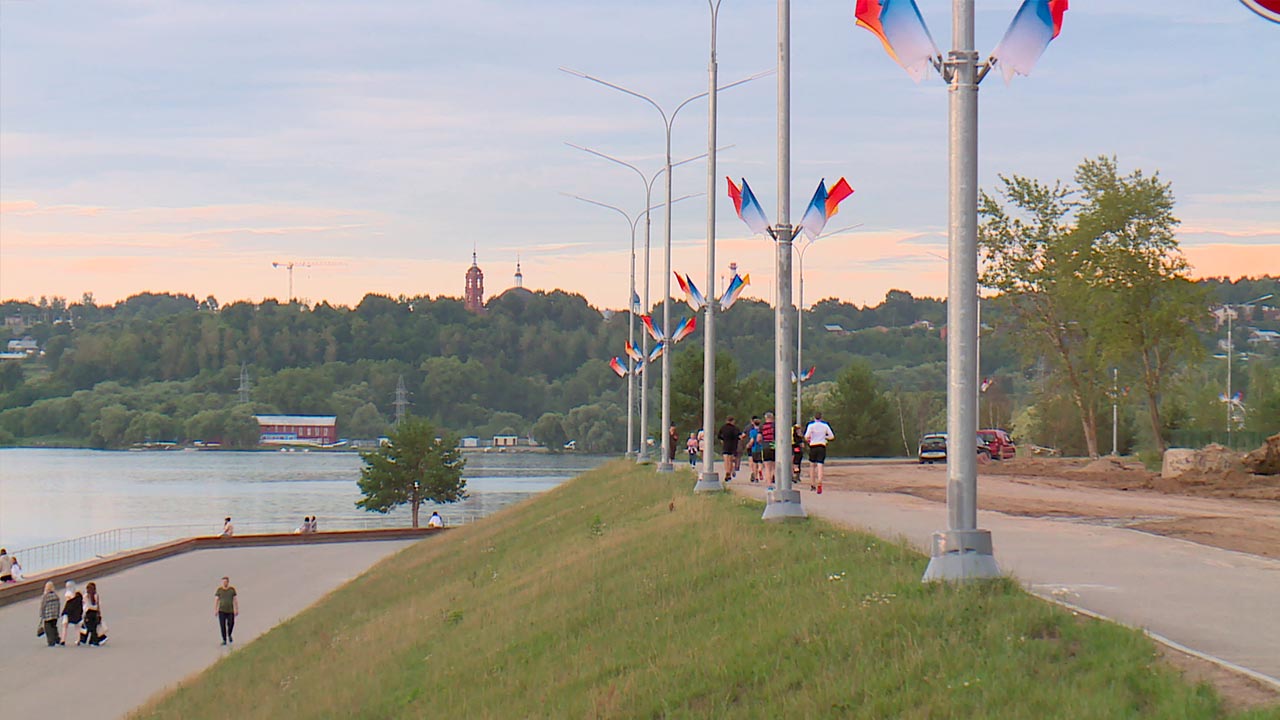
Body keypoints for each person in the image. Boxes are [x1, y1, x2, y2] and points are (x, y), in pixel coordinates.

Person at [804, 411, 835, 494]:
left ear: (814, 417)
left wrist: (810, 439)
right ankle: (820, 482)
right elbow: (832, 436)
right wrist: (825, 437)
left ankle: (812, 484)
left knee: (812, 466)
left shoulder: (811, 426)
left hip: (813, 446)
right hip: (822, 445)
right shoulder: (825, 426)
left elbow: (806, 436)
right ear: (821, 417)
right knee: (820, 465)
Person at [215, 576, 238, 645]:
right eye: (223, 582)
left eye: (225, 582)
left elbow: (235, 599)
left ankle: (229, 634)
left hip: (230, 610)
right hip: (221, 610)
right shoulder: (219, 590)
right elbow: (216, 600)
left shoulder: (232, 590)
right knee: (222, 625)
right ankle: (224, 639)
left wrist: (236, 609)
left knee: (231, 623)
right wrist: (216, 609)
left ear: (228, 582)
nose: (224, 583)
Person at [61, 580, 84, 646]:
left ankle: (63, 639)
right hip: (76, 612)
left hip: (68, 611)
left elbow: (68, 602)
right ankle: (78, 639)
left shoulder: (68, 593)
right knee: (77, 626)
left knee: (65, 625)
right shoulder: (78, 595)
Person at [717, 416, 741, 481]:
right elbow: (739, 437)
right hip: (733, 446)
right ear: (732, 421)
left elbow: (719, 436)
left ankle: (727, 472)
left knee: (726, 460)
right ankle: (730, 471)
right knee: (730, 460)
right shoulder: (735, 428)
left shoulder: (723, 428)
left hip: (726, 445)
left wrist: (723, 440)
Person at [82, 581, 105, 646]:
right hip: (95, 613)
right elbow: (98, 605)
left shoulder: (86, 596)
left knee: (89, 627)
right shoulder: (96, 595)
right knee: (94, 627)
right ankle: (92, 640)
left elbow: (85, 605)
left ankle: (94, 641)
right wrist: (99, 613)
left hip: (89, 612)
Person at [39, 581, 61, 647]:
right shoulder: (56, 595)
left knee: (48, 629)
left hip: (47, 615)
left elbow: (43, 606)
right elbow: (58, 605)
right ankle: (57, 639)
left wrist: (41, 614)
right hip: (55, 615)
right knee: (54, 627)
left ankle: (51, 641)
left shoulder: (45, 596)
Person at [760, 412, 777, 488]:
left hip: (765, 445)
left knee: (767, 466)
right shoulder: (775, 426)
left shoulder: (762, 426)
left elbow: (759, 438)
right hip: (774, 445)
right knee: (774, 465)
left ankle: (769, 483)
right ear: (772, 418)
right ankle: (774, 477)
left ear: (765, 418)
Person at [746, 417, 763, 483]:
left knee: (755, 463)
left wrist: (748, 445)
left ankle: (756, 477)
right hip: (761, 448)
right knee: (760, 462)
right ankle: (760, 469)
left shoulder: (752, 432)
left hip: (754, 449)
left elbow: (752, 440)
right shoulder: (761, 431)